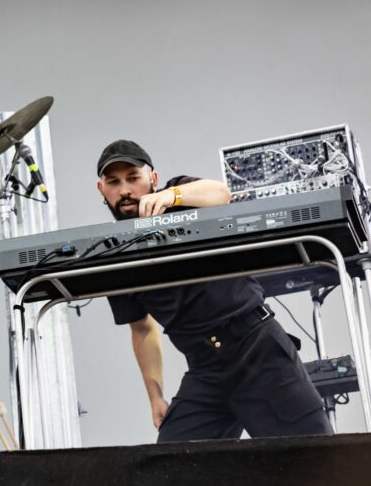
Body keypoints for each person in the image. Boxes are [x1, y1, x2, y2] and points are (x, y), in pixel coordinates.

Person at [96, 139, 333, 442]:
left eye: (133, 178)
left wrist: (171, 196)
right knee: (170, 463)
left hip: (257, 349)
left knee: (316, 457)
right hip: (204, 368)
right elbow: (142, 329)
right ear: (101, 189)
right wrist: (155, 396)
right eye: (114, 182)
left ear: (152, 179)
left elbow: (221, 193)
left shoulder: (178, 195)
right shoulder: (112, 253)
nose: (125, 190)